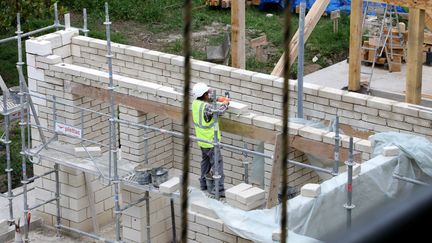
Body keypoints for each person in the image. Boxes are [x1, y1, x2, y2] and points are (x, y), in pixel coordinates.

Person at [192, 82, 230, 196]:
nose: (209, 94)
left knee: (205, 162)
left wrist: (218, 98)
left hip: (202, 140)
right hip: (211, 142)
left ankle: (203, 184)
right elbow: (219, 111)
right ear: (204, 95)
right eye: (207, 93)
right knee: (217, 165)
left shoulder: (195, 103)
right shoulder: (206, 107)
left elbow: (208, 102)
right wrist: (226, 103)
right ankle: (218, 190)